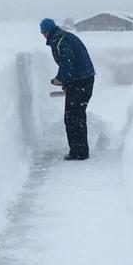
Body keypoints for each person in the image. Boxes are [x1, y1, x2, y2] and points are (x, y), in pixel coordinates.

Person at [40, 18, 95, 160]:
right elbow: (73, 62)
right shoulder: (63, 36)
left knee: (73, 118)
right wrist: (67, 84)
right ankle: (79, 150)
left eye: (43, 33)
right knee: (76, 116)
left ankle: (79, 152)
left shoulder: (59, 40)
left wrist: (59, 79)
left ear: (47, 32)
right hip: (83, 80)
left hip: (81, 81)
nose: (43, 36)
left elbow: (67, 61)